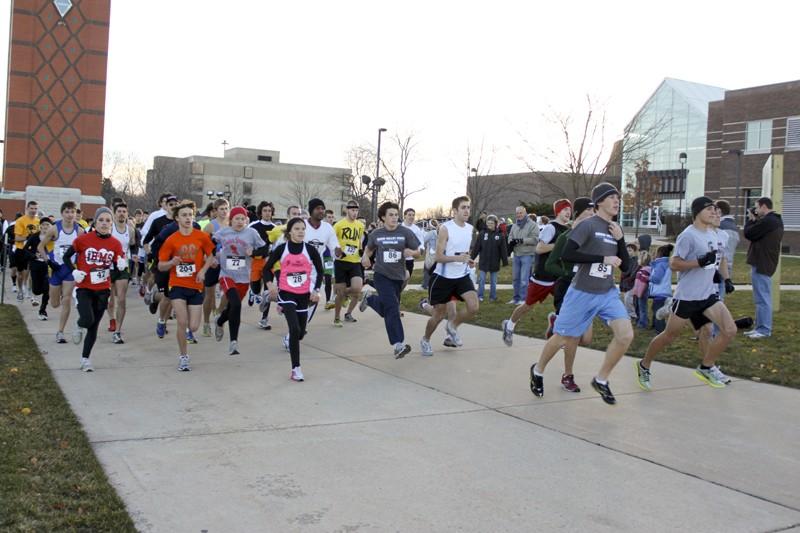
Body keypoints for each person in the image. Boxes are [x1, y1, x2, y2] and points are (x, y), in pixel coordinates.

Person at [529, 183, 633, 405]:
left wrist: (621, 239)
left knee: (625, 335)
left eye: (618, 198)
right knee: (562, 338)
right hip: (581, 293)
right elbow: (567, 253)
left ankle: (601, 379)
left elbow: (626, 268)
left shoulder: (615, 228)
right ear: (599, 202)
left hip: (606, 293)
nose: (617, 201)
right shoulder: (587, 226)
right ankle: (538, 370)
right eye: (612, 197)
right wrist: (602, 259)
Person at [636, 197, 738, 390]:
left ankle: (707, 367)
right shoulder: (688, 235)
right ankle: (644, 364)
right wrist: (698, 263)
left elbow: (720, 259)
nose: (713, 212)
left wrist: (726, 279)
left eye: (715, 209)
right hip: (687, 297)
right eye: (708, 209)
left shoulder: (716, 234)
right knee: (669, 335)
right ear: (697, 212)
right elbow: (674, 264)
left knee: (728, 330)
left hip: (708, 295)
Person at [62, 207, 126, 372]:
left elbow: (117, 271)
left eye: (108, 221)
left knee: (94, 326)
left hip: (103, 289)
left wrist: (119, 266)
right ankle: (79, 324)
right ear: (95, 222)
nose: (104, 224)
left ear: (111, 223)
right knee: (87, 319)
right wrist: (74, 271)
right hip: (84, 288)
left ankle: (85, 359)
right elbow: (66, 256)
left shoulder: (115, 244)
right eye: (101, 220)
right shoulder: (83, 239)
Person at [262, 217, 324, 381]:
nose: (301, 232)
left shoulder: (310, 250)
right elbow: (266, 269)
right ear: (289, 232)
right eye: (297, 229)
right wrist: (270, 285)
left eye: (303, 229)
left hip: (303, 294)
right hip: (286, 293)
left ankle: (278, 307)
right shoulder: (282, 249)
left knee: (300, 333)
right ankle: (296, 369)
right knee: (294, 329)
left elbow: (320, 271)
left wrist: (316, 290)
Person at [543, 196, 595, 393]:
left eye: (593, 212)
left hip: (588, 290)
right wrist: (568, 272)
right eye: (589, 211)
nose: (592, 215)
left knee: (586, 339)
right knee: (571, 337)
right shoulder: (566, 237)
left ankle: (555, 325)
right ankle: (567, 376)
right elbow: (550, 264)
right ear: (578, 213)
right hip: (567, 289)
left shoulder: (593, 237)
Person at [502, 199, 570, 345]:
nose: (568, 212)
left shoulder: (567, 229)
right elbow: (539, 248)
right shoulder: (551, 228)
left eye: (570, 210)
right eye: (565, 210)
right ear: (558, 211)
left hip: (557, 276)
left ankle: (557, 329)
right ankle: (509, 325)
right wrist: (558, 246)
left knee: (566, 304)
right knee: (528, 305)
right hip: (543, 276)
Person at [158, 201, 216, 371]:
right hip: (177, 284)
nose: (188, 218)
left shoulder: (202, 236)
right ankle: (183, 356)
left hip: (196, 285)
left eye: (190, 215)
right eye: (184, 215)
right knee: (182, 322)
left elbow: (211, 256)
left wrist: (203, 270)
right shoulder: (171, 240)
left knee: (193, 326)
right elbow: (161, 265)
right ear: (177, 218)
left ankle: (188, 330)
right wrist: (172, 262)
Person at [359, 201, 421, 358]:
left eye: (396, 215)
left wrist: (411, 253)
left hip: (398, 277)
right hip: (381, 275)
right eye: (391, 215)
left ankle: (371, 299)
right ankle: (398, 344)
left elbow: (418, 251)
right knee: (393, 307)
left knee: (388, 309)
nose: (394, 218)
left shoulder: (405, 233)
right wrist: (365, 257)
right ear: (383, 217)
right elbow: (369, 249)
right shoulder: (376, 234)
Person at [420, 196, 479, 356]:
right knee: (438, 315)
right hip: (443, 277)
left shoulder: (470, 228)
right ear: (455, 211)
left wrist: (468, 260)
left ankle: (452, 326)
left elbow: (462, 253)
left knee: (473, 307)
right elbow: (439, 257)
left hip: (461, 276)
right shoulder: (446, 228)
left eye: (468, 207)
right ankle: (425, 340)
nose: (467, 210)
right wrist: (458, 258)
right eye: (463, 207)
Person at [213, 206, 268, 355]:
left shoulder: (252, 233)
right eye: (236, 219)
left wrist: (254, 252)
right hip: (226, 274)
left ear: (246, 220)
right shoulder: (224, 232)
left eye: (242, 219)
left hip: (243, 277)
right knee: (236, 303)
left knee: (233, 307)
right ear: (231, 220)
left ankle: (219, 321)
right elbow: (211, 242)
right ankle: (234, 342)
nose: (239, 222)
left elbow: (265, 249)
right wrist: (212, 256)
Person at [38, 201, 83, 343]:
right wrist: (49, 261)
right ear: (62, 213)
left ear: (76, 214)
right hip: (56, 268)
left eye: (72, 212)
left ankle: (60, 332)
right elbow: (40, 246)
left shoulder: (79, 231)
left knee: (67, 300)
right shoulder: (54, 228)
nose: (70, 215)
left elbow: (84, 250)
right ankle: (59, 295)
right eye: (67, 212)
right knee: (55, 303)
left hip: (69, 269)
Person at [743, 197, 784, 339]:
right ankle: (759, 327)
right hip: (764, 262)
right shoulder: (773, 221)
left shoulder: (769, 221)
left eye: (757, 207)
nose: (756, 210)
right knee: (760, 297)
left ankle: (764, 330)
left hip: (762, 263)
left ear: (763, 206)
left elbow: (749, 233)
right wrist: (755, 220)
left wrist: (750, 220)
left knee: (762, 298)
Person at [302, 198, 341, 324]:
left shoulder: (327, 228)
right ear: (311, 210)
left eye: (322, 208)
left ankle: (300, 327)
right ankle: (270, 297)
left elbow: (334, 245)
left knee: (314, 299)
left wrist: (338, 251)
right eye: (318, 208)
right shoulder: (301, 225)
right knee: (294, 300)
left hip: (314, 271)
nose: (321, 211)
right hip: (297, 268)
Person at [107, 202, 138, 344]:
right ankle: (111, 319)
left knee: (121, 299)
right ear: (114, 213)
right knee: (110, 298)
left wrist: (134, 256)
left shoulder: (130, 229)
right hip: (108, 266)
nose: (121, 214)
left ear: (127, 213)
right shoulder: (109, 228)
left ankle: (118, 331)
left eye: (124, 211)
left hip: (122, 267)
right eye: (119, 211)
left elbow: (132, 245)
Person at [332, 200, 366, 326]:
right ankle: (337, 317)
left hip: (355, 261)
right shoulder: (339, 225)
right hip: (341, 262)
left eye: (356, 210)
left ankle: (348, 313)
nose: (355, 213)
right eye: (352, 210)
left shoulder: (360, 225)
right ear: (347, 210)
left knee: (357, 289)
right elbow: (332, 240)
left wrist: (361, 250)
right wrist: (337, 250)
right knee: (341, 294)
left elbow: (359, 240)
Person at [202, 198, 230, 337]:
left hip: (228, 263)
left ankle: (219, 313)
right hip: (213, 263)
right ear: (216, 210)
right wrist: (208, 258)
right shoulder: (210, 226)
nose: (224, 211)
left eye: (226, 208)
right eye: (221, 209)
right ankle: (206, 323)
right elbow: (202, 246)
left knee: (228, 292)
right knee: (210, 294)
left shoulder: (232, 224)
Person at [247, 201, 276, 329]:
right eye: (265, 210)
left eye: (269, 211)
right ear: (260, 212)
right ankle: (253, 292)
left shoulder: (275, 228)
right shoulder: (253, 225)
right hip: (255, 261)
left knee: (268, 292)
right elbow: (246, 239)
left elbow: (277, 246)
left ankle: (264, 318)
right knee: (256, 288)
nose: (267, 213)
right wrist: (250, 251)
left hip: (269, 262)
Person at [470, 214, 508, 302]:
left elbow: (503, 249)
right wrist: (471, 258)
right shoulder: (482, 234)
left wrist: (505, 261)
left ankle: (493, 297)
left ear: (495, 224)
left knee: (493, 281)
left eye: (491, 223)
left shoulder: (500, 235)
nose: (489, 225)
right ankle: (480, 296)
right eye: (488, 223)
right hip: (484, 261)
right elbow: (476, 247)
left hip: (494, 261)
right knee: (481, 280)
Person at [506, 206, 539, 305]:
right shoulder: (514, 225)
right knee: (516, 278)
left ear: (525, 213)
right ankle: (515, 298)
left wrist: (522, 240)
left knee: (524, 279)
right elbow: (510, 236)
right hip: (516, 254)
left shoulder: (532, 225)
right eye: (517, 213)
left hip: (527, 254)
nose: (519, 215)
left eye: (521, 213)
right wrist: (511, 241)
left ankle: (523, 299)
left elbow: (535, 239)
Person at [23, 216, 53, 321]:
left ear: (51, 227)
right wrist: (33, 256)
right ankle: (34, 293)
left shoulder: (53, 237)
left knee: (47, 288)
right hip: (35, 265)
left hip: (48, 266)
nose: (45, 227)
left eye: (47, 225)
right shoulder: (34, 236)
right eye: (43, 225)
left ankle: (43, 310)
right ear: (40, 226)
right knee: (37, 290)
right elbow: (25, 249)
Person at [13, 201, 40, 302]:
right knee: (21, 274)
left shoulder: (38, 221)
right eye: (31, 208)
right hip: (21, 249)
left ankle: (30, 291)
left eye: (35, 208)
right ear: (27, 208)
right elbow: (17, 238)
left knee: (33, 272)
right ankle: (20, 290)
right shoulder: (20, 221)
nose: (33, 210)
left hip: (33, 250)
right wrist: (28, 237)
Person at [649, 244, 674, 333]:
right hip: (662, 292)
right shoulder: (664, 263)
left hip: (660, 292)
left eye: (656, 253)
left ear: (659, 253)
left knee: (658, 312)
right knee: (654, 308)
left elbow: (656, 278)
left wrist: (649, 278)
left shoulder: (661, 265)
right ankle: (654, 326)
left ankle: (660, 330)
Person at [401, 208, 426, 280]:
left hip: (410, 259)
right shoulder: (399, 227)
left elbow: (421, 243)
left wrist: (419, 251)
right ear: (405, 216)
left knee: (406, 279)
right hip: (398, 259)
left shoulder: (416, 229)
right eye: (409, 215)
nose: (411, 217)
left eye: (413, 215)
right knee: (398, 280)